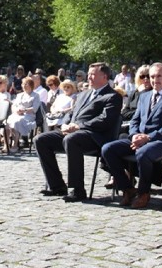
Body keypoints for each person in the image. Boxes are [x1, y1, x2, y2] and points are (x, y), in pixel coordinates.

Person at [35, 63, 122, 202]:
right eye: (89, 73)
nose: (89, 77)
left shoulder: (113, 96)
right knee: (40, 139)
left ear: (104, 76)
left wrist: (78, 126)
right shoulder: (83, 94)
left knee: (72, 140)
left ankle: (77, 190)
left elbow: (105, 120)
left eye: (93, 74)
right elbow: (72, 113)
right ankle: (57, 186)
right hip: (72, 131)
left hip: (94, 136)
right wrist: (65, 124)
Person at [102, 63, 162, 209]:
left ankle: (143, 193)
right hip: (139, 138)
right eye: (152, 76)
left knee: (142, 153)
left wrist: (148, 137)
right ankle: (127, 188)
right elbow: (135, 120)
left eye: (159, 76)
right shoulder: (145, 96)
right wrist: (134, 135)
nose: (154, 80)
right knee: (108, 149)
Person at [5, 77, 42, 153]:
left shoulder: (35, 95)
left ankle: (15, 144)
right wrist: (16, 110)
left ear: (31, 85)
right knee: (7, 122)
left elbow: (35, 108)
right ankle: (6, 145)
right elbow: (14, 105)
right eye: (23, 84)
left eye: (26, 84)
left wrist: (24, 110)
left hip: (28, 115)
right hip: (17, 114)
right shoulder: (19, 95)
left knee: (17, 121)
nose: (24, 85)